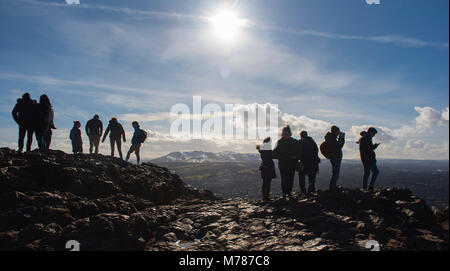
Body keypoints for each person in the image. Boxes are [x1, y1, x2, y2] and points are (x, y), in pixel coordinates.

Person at [273, 125, 300, 202]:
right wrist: (280, 156)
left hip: (291, 163)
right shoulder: (280, 142)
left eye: (287, 134)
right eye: (285, 134)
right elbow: (274, 153)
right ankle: (285, 194)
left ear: (290, 133)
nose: (286, 135)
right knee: (284, 179)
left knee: (290, 179)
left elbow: (299, 152)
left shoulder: (294, 142)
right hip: (283, 163)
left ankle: (288, 194)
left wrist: (296, 157)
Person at [324, 126, 345, 190]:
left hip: (334, 157)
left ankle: (332, 187)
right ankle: (332, 187)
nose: (339, 133)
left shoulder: (330, 138)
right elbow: (339, 146)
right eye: (338, 131)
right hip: (336, 157)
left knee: (335, 174)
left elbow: (337, 146)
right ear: (336, 131)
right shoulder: (332, 138)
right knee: (335, 174)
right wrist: (342, 138)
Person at [257, 137, 277, 202]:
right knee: (267, 182)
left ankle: (265, 196)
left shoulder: (262, 148)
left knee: (265, 182)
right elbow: (272, 156)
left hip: (264, 167)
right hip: (268, 167)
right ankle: (266, 197)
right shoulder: (267, 149)